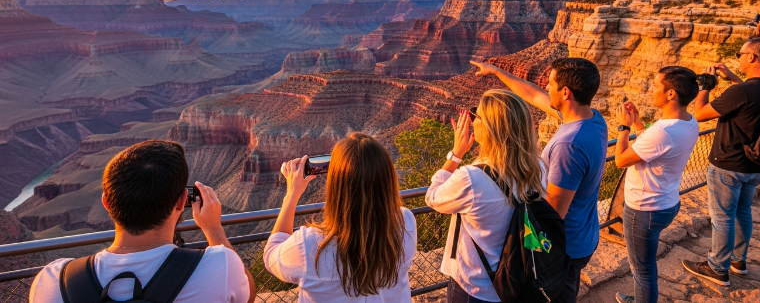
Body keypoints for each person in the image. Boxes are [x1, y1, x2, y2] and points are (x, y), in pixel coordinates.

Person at [29, 140, 256, 303]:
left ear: (106, 203)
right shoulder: (219, 268)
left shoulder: (53, 282)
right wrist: (213, 228)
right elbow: (247, 295)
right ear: (182, 201)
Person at [469, 58, 606, 303]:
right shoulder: (593, 119)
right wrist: (498, 71)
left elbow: (553, 211)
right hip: (584, 233)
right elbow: (534, 95)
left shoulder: (569, 145)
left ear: (566, 92)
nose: (546, 87)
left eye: (550, 83)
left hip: (563, 248)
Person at [682, 37, 760, 285]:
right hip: (759, 165)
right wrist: (733, 78)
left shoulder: (741, 92)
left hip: (729, 165)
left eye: (741, 54)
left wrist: (706, 87)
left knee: (722, 218)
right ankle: (738, 261)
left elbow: (699, 115)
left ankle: (717, 268)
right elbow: (755, 97)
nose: (739, 58)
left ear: (752, 57)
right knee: (743, 212)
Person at [425, 89, 548, 303]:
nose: (472, 120)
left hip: (475, 287)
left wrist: (456, 154)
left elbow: (433, 197)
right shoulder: (538, 168)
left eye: (477, 115)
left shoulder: (472, 178)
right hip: (517, 280)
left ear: (491, 127)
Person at [264, 133, 417, 302]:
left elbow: (271, 254)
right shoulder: (405, 223)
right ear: (387, 180)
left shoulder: (310, 246)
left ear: (337, 183)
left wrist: (291, 195)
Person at [612, 67, 701, 303]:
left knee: (642, 269)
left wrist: (624, 127)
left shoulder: (663, 131)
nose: (650, 89)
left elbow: (620, 160)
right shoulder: (689, 121)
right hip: (666, 202)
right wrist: (640, 124)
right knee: (645, 265)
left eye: (655, 85)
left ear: (671, 94)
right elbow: (657, 147)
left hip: (644, 209)